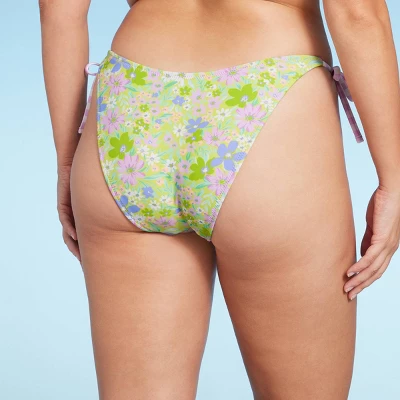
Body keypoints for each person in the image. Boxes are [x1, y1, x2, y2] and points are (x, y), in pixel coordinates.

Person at [39, 0, 400, 398]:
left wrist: (67, 164)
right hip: (269, 95)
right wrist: (394, 181)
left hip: (131, 106)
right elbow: (358, 14)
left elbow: (58, 9)